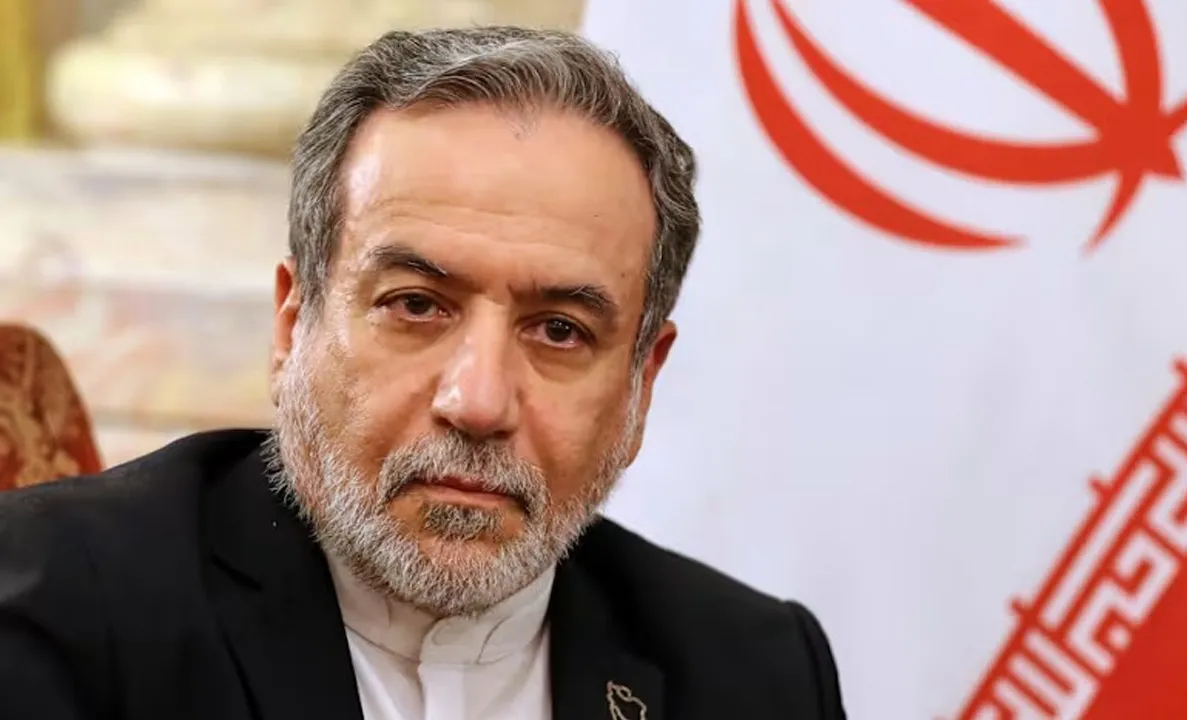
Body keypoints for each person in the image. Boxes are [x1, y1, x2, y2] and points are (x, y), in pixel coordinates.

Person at [0, 27, 845, 720]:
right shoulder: (58, 611)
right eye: (416, 306)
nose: (476, 402)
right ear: (295, 324)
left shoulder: (756, 675)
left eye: (559, 330)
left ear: (641, 383)